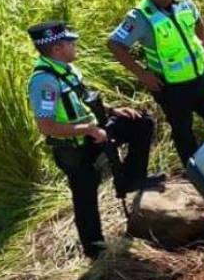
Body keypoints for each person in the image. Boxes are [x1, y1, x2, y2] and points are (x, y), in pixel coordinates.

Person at [27, 21, 163, 259]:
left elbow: (82, 99)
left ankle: (132, 178)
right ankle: (95, 250)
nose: (75, 44)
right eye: (70, 42)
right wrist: (88, 131)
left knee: (140, 123)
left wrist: (112, 111)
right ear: (57, 48)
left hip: (92, 132)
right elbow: (47, 127)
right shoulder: (44, 81)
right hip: (74, 149)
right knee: (85, 197)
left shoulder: (66, 69)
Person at [108, 0, 204, 165]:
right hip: (170, 87)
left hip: (199, 78)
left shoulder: (183, 1)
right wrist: (142, 74)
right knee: (183, 133)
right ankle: (197, 174)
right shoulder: (140, 17)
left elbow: (199, 23)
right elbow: (114, 44)